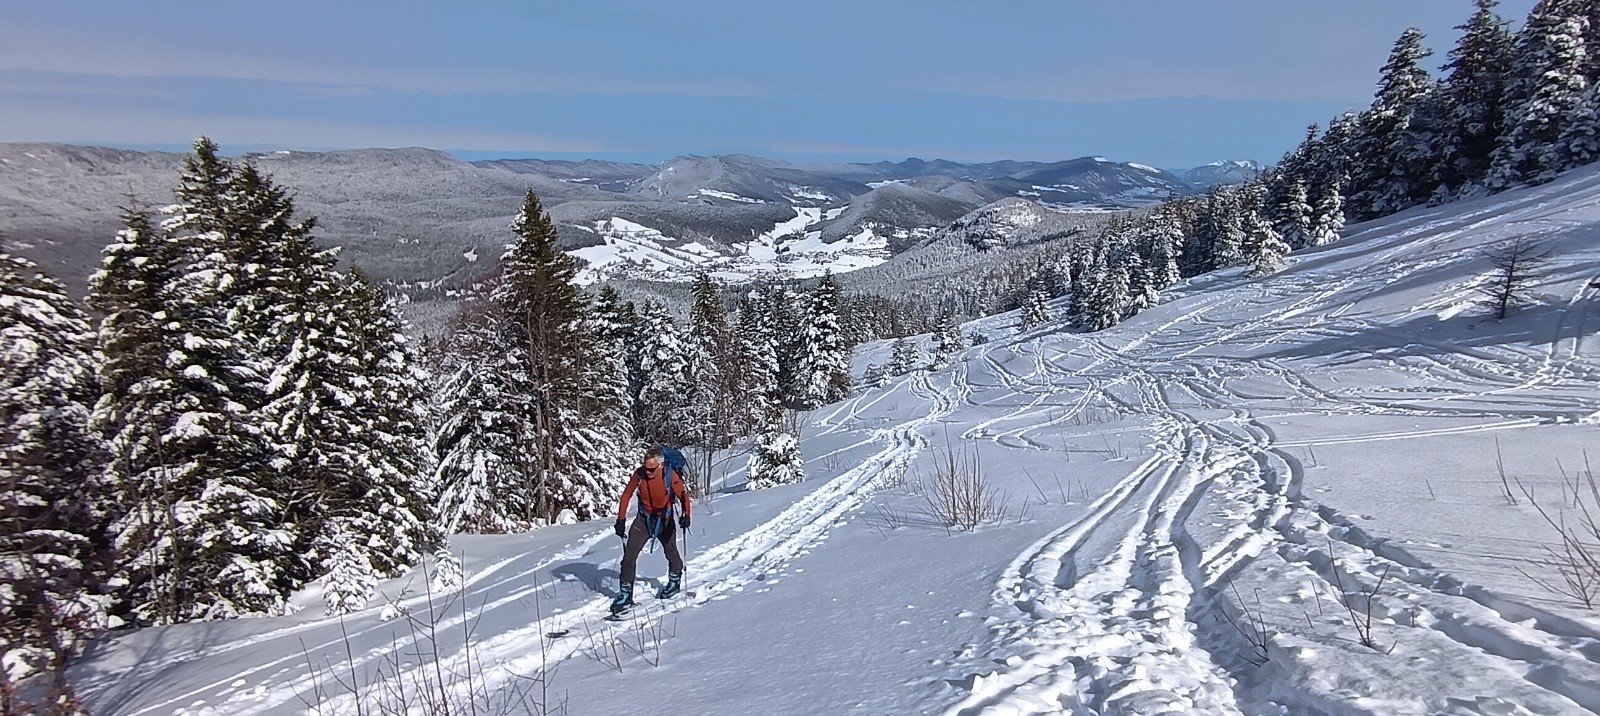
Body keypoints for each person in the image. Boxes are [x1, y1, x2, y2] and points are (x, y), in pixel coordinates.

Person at [611, 446, 691, 615]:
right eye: (645, 467)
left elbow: (683, 495)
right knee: (628, 557)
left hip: (665, 520)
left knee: (671, 553)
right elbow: (627, 494)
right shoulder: (639, 474)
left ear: (661, 465)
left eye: (651, 469)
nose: (647, 472)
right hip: (644, 520)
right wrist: (621, 519)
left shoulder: (670, 475)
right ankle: (625, 595)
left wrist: (686, 514)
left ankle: (674, 581)